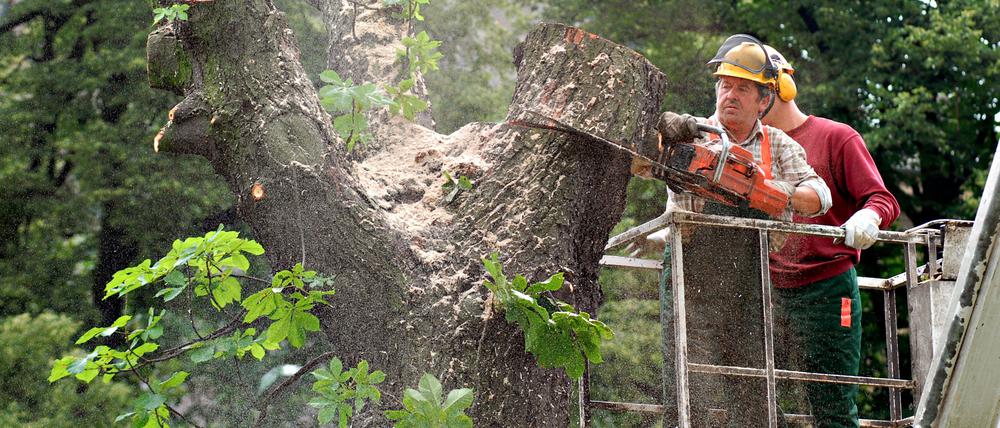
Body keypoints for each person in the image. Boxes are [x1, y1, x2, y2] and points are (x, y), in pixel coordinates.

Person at [637, 34, 832, 427]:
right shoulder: (692, 133)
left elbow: (821, 196)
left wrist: (776, 192)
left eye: (743, 88)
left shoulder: (777, 145)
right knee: (691, 388)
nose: (730, 94)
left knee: (755, 388)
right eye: (725, 85)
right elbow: (638, 162)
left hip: (750, 283)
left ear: (764, 101)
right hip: (690, 278)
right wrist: (658, 134)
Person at [761, 45, 900, 428]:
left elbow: (882, 198)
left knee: (832, 403)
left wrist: (869, 217)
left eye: (749, 88)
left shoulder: (836, 137)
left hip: (827, 289)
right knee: (753, 395)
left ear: (779, 88)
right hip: (763, 289)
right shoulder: (749, 147)